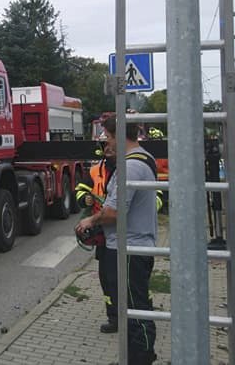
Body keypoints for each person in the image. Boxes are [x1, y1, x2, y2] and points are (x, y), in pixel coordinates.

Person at [75, 116, 158, 365]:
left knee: (135, 310)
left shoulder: (130, 167)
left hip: (130, 248)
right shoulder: (143, 159)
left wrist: (91, 221)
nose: (106, 143)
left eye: (109, 137)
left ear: (121, 136)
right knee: (131, 308)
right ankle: (134, 357)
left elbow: (114, 212)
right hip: (131, 245)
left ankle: (141, 358)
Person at [75, 140, 118, 332]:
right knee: (107, 277)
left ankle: (138, 314)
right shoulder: (95, 170)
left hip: (126, 230)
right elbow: (80, 189)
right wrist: (85, 199)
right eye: (104, 145)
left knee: (128, 277)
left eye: (110, 143)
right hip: (102, 228)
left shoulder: (130, 167)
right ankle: (114, 317)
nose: (107, 148)